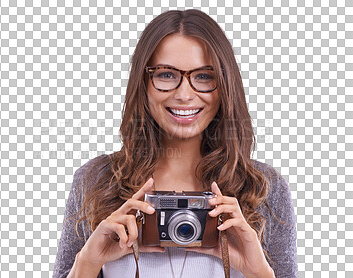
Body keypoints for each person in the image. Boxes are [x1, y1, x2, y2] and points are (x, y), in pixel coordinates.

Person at [53, 9, 298, 278]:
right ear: (143, 82)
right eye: (166, 75)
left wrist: (258, 273)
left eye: (204, 76)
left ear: (225, 84)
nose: (184, 94)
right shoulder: (96, 181)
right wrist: (87, 263)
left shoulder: (263, 187)